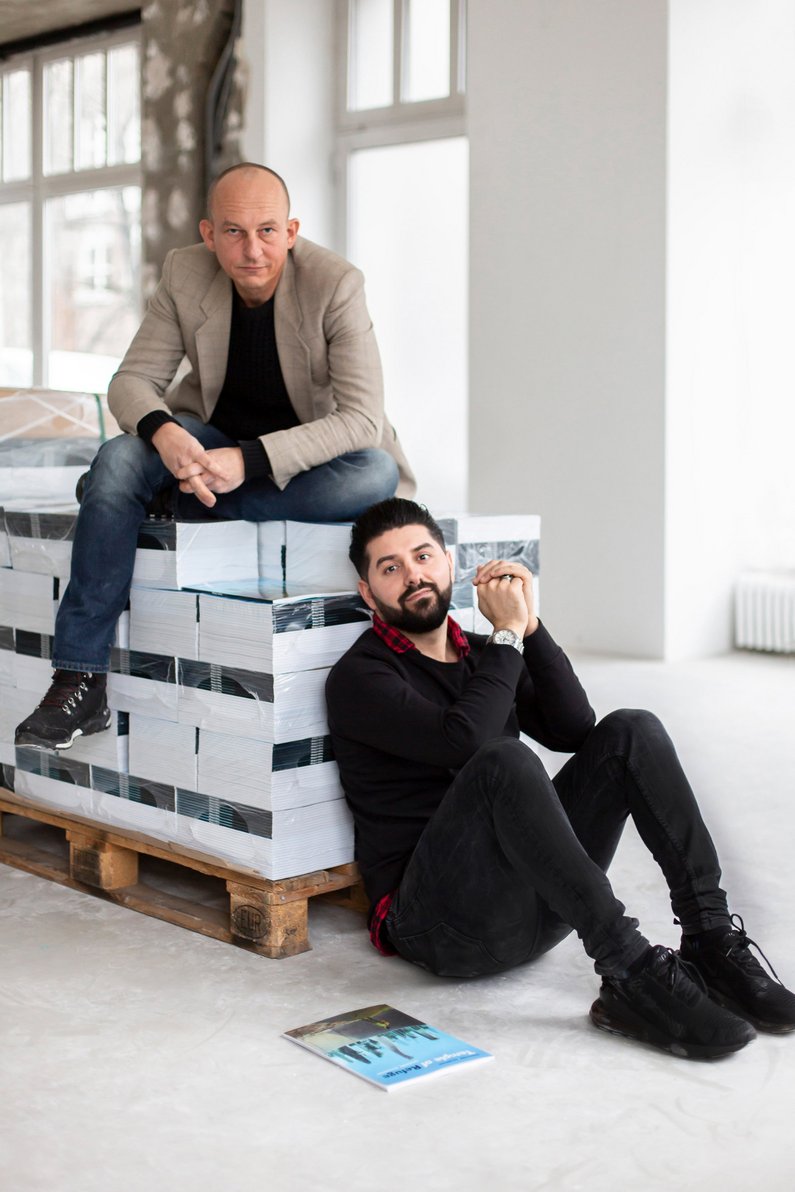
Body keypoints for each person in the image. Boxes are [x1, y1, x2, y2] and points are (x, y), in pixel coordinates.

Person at [325, 497, 795, 1060]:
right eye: (390, 567)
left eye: (422, 556)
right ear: (368, 592)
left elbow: (576, 728)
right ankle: (630, 973)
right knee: (504, 760)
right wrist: (506, 639)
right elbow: (467, 740)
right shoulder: (361, 676)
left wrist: (530, 625)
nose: (413, 575)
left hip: (535, 910)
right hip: (441, 928)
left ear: (449, 563)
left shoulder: (483, 654)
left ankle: (710, 940)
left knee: (631, 730)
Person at [16, 162, 414, 752]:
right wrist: (163, 432)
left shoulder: (336, 284)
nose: (252, 249)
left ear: (292, 230)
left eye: (267, 231)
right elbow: (130, 382)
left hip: (302, 457)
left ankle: (178, 502)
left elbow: (360, 419)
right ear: (208, 234)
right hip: (205, 439)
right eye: (233, 231)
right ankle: (79, 678)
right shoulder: (185, 272)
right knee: (120, 460)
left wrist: (247, 462)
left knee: (375, 473)